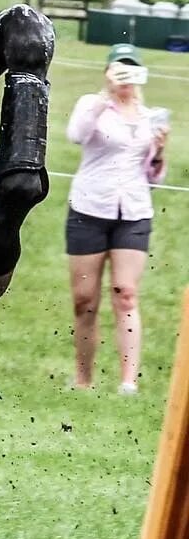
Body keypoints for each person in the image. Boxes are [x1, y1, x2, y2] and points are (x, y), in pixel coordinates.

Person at [67, 44, 169, 395]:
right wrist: (104, 96)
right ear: (109, 72)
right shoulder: (91, 106)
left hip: (134, 212)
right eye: (119, 69)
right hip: (89, 209)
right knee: (84, 300)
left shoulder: (150, 116)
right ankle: (83, 379)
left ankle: (128, 381)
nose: (126, 76)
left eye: (131, 69)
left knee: (126, 293)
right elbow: (76, 134)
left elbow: (152, 174)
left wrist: (160, 153)